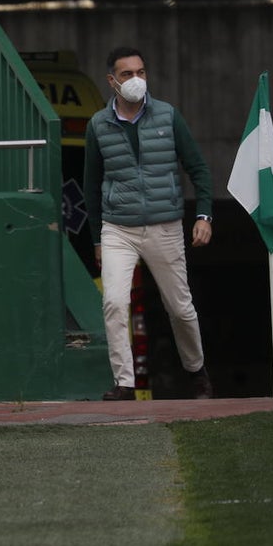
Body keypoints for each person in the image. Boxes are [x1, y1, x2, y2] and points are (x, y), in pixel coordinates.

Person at [84, 46, 214, 401]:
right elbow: (91, 186)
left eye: (140, 72)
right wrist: (97, 238)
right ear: (112, 81)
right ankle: (125, 383)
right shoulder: (97, 125)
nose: (136, 80)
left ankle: (196, 371)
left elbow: (198, 168)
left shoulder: (168, 116)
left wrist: (204, 215)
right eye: (127, 74)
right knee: (113, 302)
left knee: (180, 308)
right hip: (118, 229)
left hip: (165, 225)